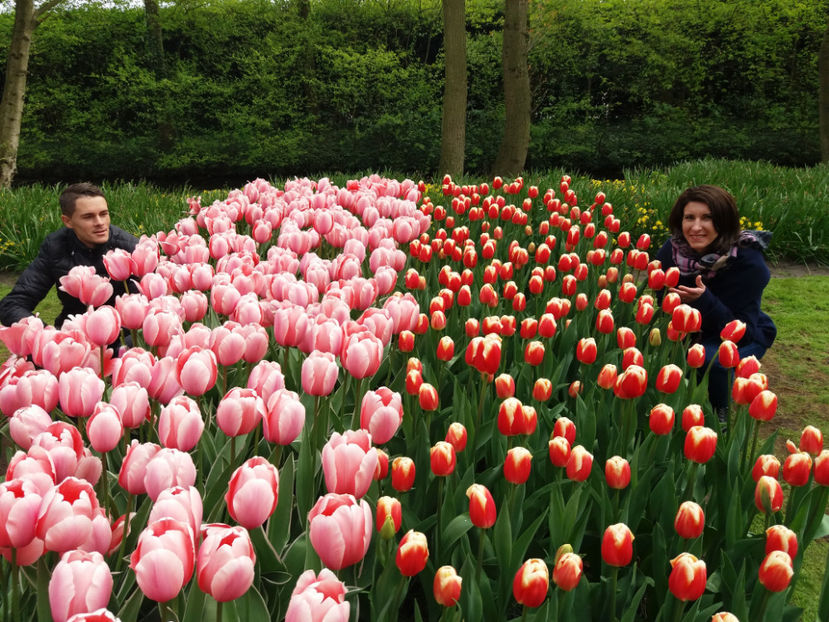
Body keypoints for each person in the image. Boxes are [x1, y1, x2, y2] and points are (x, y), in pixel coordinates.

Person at [656, 184, 776, 418]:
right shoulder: (672, 251)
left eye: (707, 218)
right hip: (691, 329)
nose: (696, 226)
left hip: (744, 329)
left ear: (723, 222)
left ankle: (719, 415)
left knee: (713, 359)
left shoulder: (748, 263)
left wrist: (704, 300)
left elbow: (741, 330)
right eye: (689, 217)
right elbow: (662, 297)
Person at [0, 182, 138, 328]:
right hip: (72, 334)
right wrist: (46, 337)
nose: (100, 223)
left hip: (124, 336)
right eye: (88, 217)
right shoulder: (55, 247)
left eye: (104, 214)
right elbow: (12, 304)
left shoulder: (130, 248)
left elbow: (148, 307)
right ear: (68, 221)